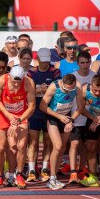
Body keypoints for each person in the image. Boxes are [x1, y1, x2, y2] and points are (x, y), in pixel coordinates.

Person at [0, 66, 35, 189]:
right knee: (1, 147)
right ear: (9, 76)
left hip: (21, 115)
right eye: (14, 82)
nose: (16, 85)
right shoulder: (1, 80)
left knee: (20, 146)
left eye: (18, 82)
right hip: (4, 114)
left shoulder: (28, 83)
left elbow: (32, 106)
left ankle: (19, 175)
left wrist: (18, 120)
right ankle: (0, 177)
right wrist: (8, 115)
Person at [39, 74, 82, 189]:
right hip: (53, 117)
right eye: (66, 89)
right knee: (57, 146)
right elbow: (42, 106)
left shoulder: (77, 87)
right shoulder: (54, 87)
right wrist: (59, 116)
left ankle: (55, 177)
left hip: (66, 118)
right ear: (62, 83)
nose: (68, 92)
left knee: (62, 148)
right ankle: (51, 178)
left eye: (70, 89)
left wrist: (71, 120)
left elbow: (80, 107)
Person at [26, 48, 62, 182]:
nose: (45, 64)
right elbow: (27, 89)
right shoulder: (31, 73)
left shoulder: (55, 71)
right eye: (43, 61)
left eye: (47, 61)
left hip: (49, 112)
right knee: (33, 142)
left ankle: (44, 169)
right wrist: (37, 89)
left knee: (48, 141)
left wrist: (42, 89)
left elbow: (58, 88)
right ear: (38, 60)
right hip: (35, 112)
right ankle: (31, 170)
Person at [69, 51, 95, 184]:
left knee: (86, 146)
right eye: (82, 63)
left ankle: (81, 170)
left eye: (87, 62)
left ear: (90, 62)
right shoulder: (72, 77)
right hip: (76, 115)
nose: (85, 65)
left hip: (91, 116)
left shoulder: (95, 77)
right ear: (77, 63)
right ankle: (73, 172)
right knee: (74, 144)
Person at [80, 75, 100, 187]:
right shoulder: (85, 90)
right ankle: (93, 177)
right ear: (91, 86)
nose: (97, 93)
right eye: (95, 90)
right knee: (89, 146)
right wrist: (93, 118)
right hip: (93, 117)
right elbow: (80, 109)